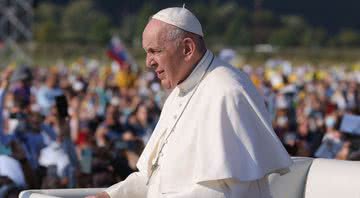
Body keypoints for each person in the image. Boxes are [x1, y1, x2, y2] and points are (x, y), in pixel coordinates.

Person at [88, 7, 292, 198]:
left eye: (155, 51)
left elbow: (224, 191)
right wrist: (110, 195)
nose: (148, 62)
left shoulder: (227, 92)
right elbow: (154, 177)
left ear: (187, 48)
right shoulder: (178, 92)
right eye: (147, 52)